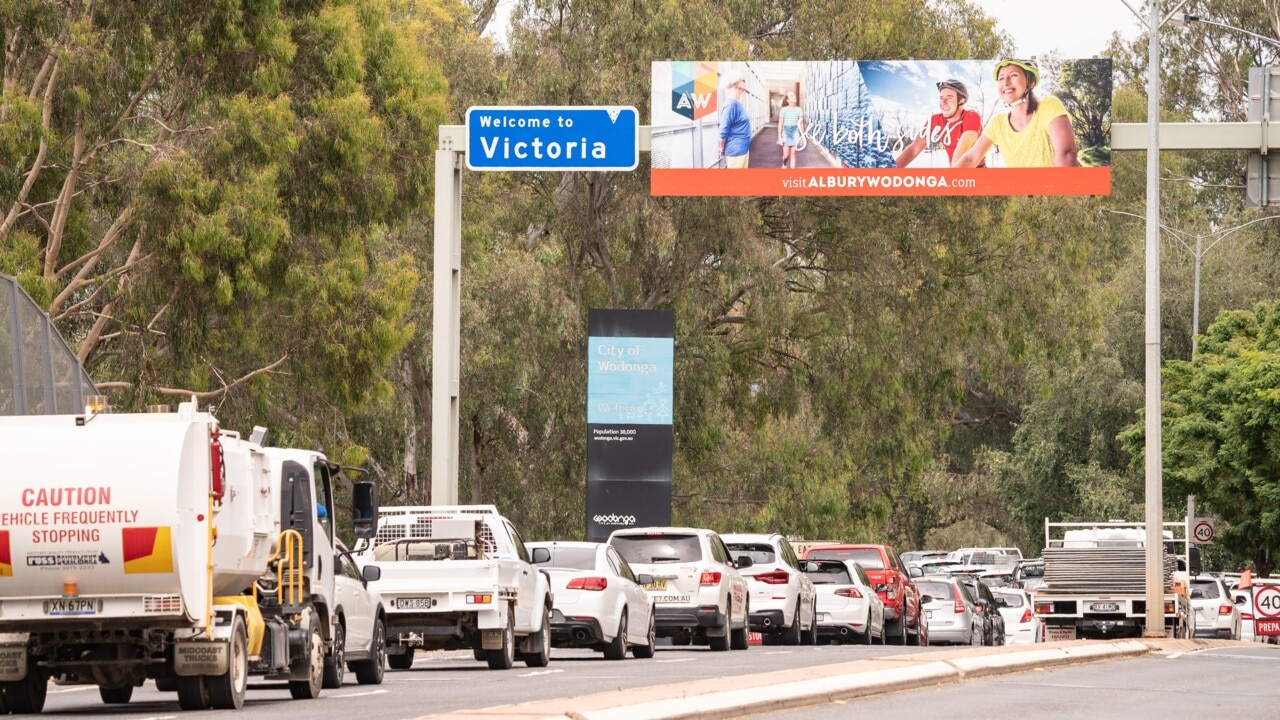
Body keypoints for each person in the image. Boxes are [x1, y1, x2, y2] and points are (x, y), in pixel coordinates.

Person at [953, 59, 1079, 168]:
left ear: (1031, 82)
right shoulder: (998, 122)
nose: (1005, 82)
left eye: (1013, 75)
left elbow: (1066, 154)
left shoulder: (1049, 106)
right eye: (1001, 78)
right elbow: (971, 158)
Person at [894, 79, 984, 168]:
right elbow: (914, 149)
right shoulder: (935, 120)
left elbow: (963, 147)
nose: (943, 103)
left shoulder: (971, 116)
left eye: (949, 98)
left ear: (961, 101)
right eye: (941, 98)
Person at [719, 73, 752, 168]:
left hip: (743, 148)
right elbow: (723, 129)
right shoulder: (731, 105)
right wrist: (722, 149)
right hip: (736, 149)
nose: (745, 82)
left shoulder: (738, 103)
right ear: (736, 84)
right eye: (742, 80)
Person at [778, 90, 806, 169]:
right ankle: (784, 163)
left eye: (794, 95)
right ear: (787, 100)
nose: (794, 97)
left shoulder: (799, 109)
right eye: (791, 96)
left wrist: (802, 137)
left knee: (793, 154)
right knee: (786, 155)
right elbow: (780, 124)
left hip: (795, 131)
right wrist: (780, 137)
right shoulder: (784, 110)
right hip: (786, 131)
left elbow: (801, 123)